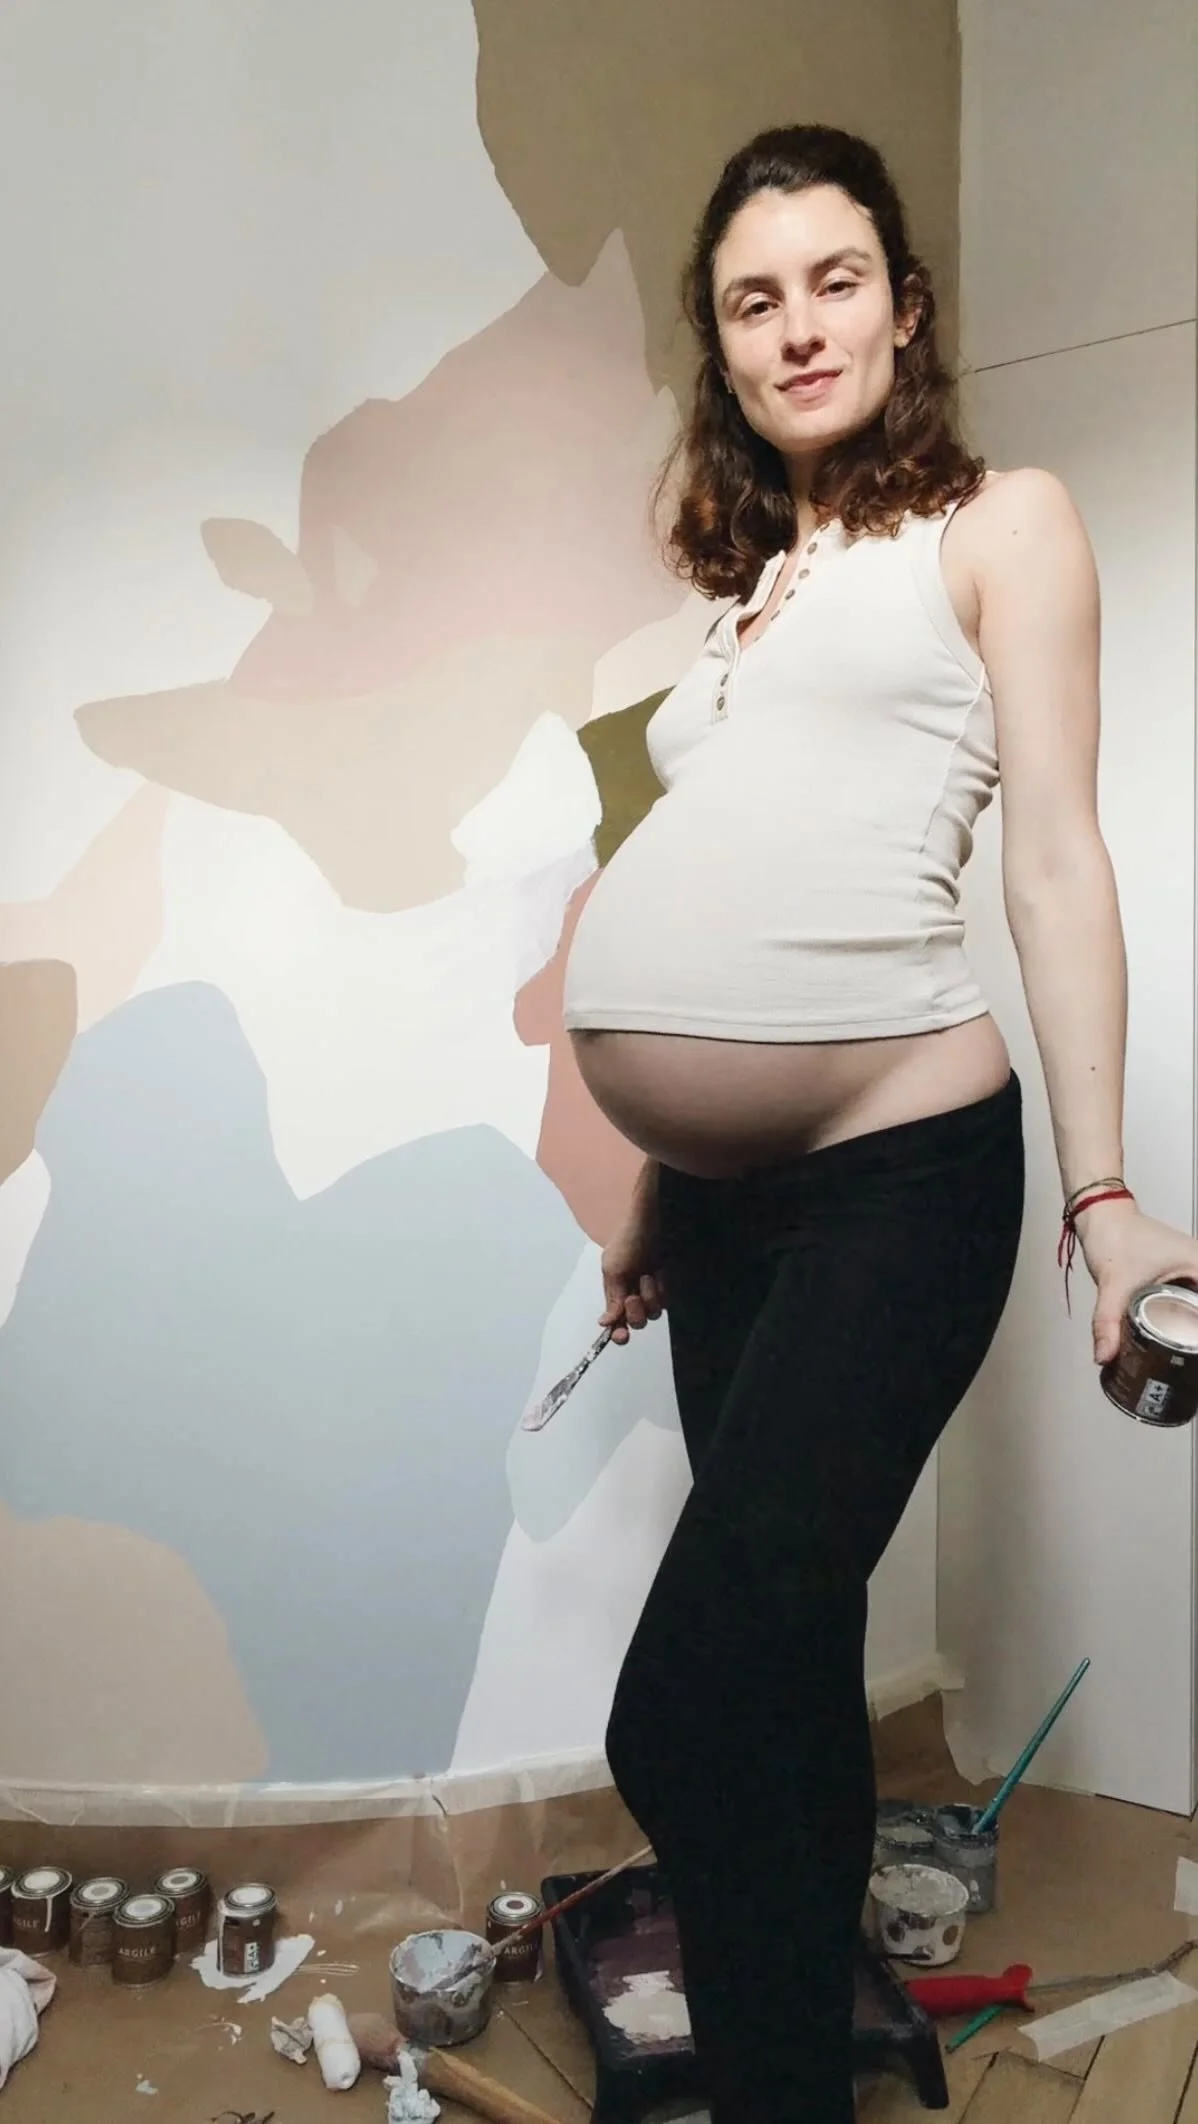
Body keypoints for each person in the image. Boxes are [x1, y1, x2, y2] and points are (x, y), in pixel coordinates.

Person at [561, 124, 1198, 2124]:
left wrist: (1105, 1201)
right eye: (752, 301)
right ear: (723, 348)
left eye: (833, 281)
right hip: (729, 1209)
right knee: (786, 1668)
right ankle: (792, 2086)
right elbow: (741, 899)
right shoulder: (752, 590)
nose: (796, 326)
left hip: (895, 1185)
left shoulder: (1000, 521)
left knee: (683, 1713)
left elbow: (1053, 861)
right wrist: (661, 1178)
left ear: (904, 308)